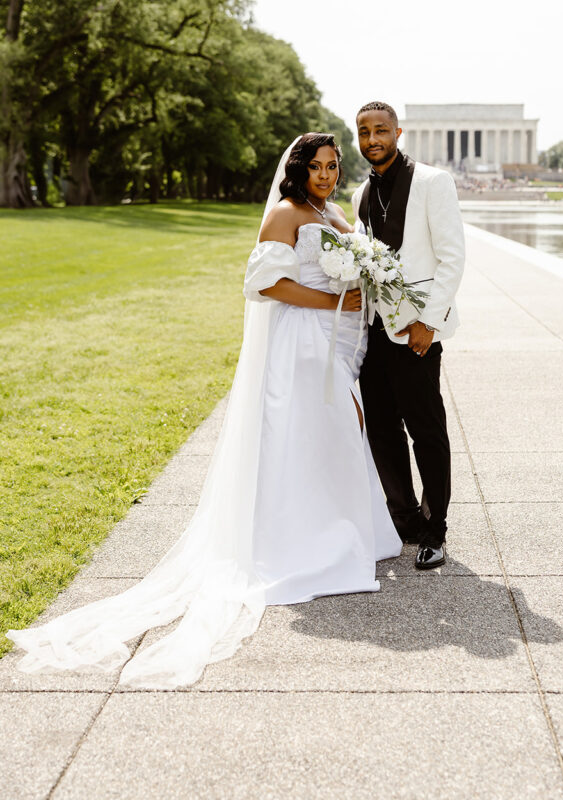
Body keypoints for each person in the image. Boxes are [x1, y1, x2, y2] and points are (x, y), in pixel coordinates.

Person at [7, 133, 401, 689]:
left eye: (333, 166)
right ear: (298, 169)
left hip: (335, 341)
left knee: (336, 433)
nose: (327, 175)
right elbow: (261, 284)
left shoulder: (331, 210)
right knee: (308, 434)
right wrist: (331, 299)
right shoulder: (286, 215)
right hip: (301, 343)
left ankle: (345, 529)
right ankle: (303, 540)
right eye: (317, 166)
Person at [352, 102, 465, 570]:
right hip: (373, 334)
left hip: (417, 333)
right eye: (364, 132)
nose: (373, 139)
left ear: (398, 133)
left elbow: (452, 257)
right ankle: (404, 519)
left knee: (427, 432)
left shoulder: (433, 182)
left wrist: (429, 321)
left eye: (381, 130)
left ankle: (434, 530)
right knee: (381, 431)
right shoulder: (360, 191)